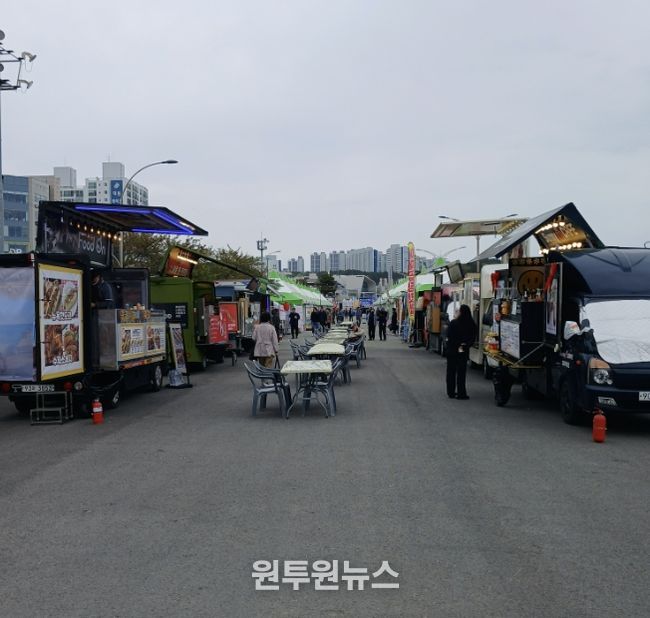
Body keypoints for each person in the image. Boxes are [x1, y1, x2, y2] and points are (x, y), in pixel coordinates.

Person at [446, 304, 477, 400]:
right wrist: (465, 345)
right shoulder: (471, 324)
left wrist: (455, 344)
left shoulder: (454, 323)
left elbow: (449, 335)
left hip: (452, 350)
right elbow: (472, 338)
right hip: (463, 351)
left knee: (451, 371)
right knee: (461, 373)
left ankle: (451, 392)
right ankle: (461, 393)